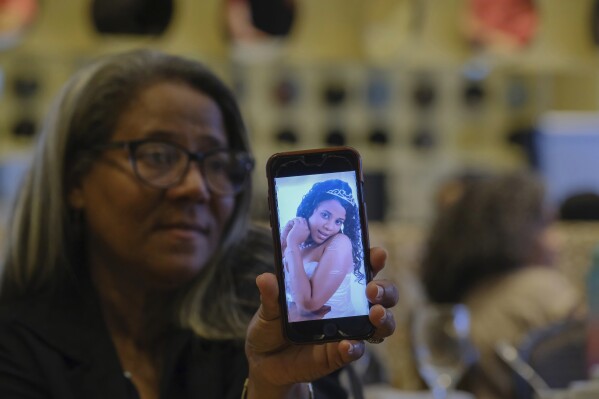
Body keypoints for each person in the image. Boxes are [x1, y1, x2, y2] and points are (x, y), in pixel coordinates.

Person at [0, 49, 398, 399]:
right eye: (157, 156)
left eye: (217, 163)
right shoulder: (19, 339)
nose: (196, 188)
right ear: (74, 180)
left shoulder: (266, 309)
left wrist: (274, 387)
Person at [418, 171, 583, 399]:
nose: (558, 242)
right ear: (514, 233)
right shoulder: (541, 288)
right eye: (546, 225)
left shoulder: (458, 306)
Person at [280, 178, 367, 321]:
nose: (329, 226)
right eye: (325, 215)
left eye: (338, 222)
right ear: (310, 209)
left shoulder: (340, 243)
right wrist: (284, 242)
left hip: (337, 333)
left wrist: (292, 244)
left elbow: (307, 306)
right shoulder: (301, 242)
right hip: (296, 334)